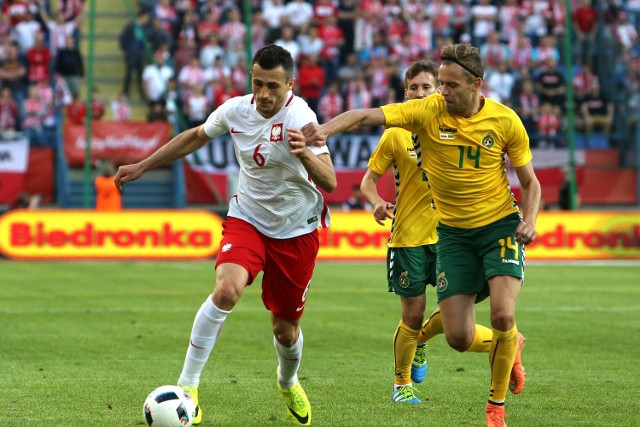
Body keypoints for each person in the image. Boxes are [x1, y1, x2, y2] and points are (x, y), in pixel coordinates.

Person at [302, 43, 540, 427]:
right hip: (452, 235)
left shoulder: (506, 121)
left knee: (502, 312)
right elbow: (366, 115)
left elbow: (530, 183)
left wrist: (528, 220)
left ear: (477, 84)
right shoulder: (423, 115)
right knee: (458, 337)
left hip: (498, 225)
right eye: (438, 84)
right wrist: (325, 129)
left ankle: (495, 407)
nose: (441, 93)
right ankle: (509, 348)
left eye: (449, 85)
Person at [114, 45, 336, 426]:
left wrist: (305, 154)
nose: (264, 94)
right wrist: (144, 164)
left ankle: (288, 381)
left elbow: (330, 181)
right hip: (247, 217)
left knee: (285, 330)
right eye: (257, 83)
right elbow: (196, 136)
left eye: (273, 87)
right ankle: (189, 388)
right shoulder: (236, 109)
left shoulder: (302, 117)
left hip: (296, 232)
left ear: (290, 85)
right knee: (227, 290)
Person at [361, 60, 495, 404]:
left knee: (458, 314)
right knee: (413, 313)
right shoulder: (395, 134)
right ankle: (401, 385)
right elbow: (368, 181)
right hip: (407, 236)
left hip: (451, 235)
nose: (419, 93)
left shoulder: (453, 126)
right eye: (413, 88)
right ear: (404, 94)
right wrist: (376, 201)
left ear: (439, 90)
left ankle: (422, 340)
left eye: (426, 86)